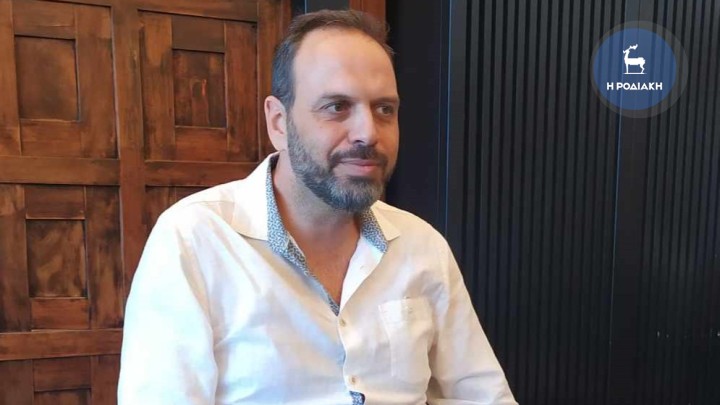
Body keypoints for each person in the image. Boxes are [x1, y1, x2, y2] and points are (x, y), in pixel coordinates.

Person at [118, 9, 517, 405]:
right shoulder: (195, 240)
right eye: (336, 106)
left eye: (384, 109)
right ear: (278, 122)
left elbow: (483, 397)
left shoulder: (421, 245)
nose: (367, 133)